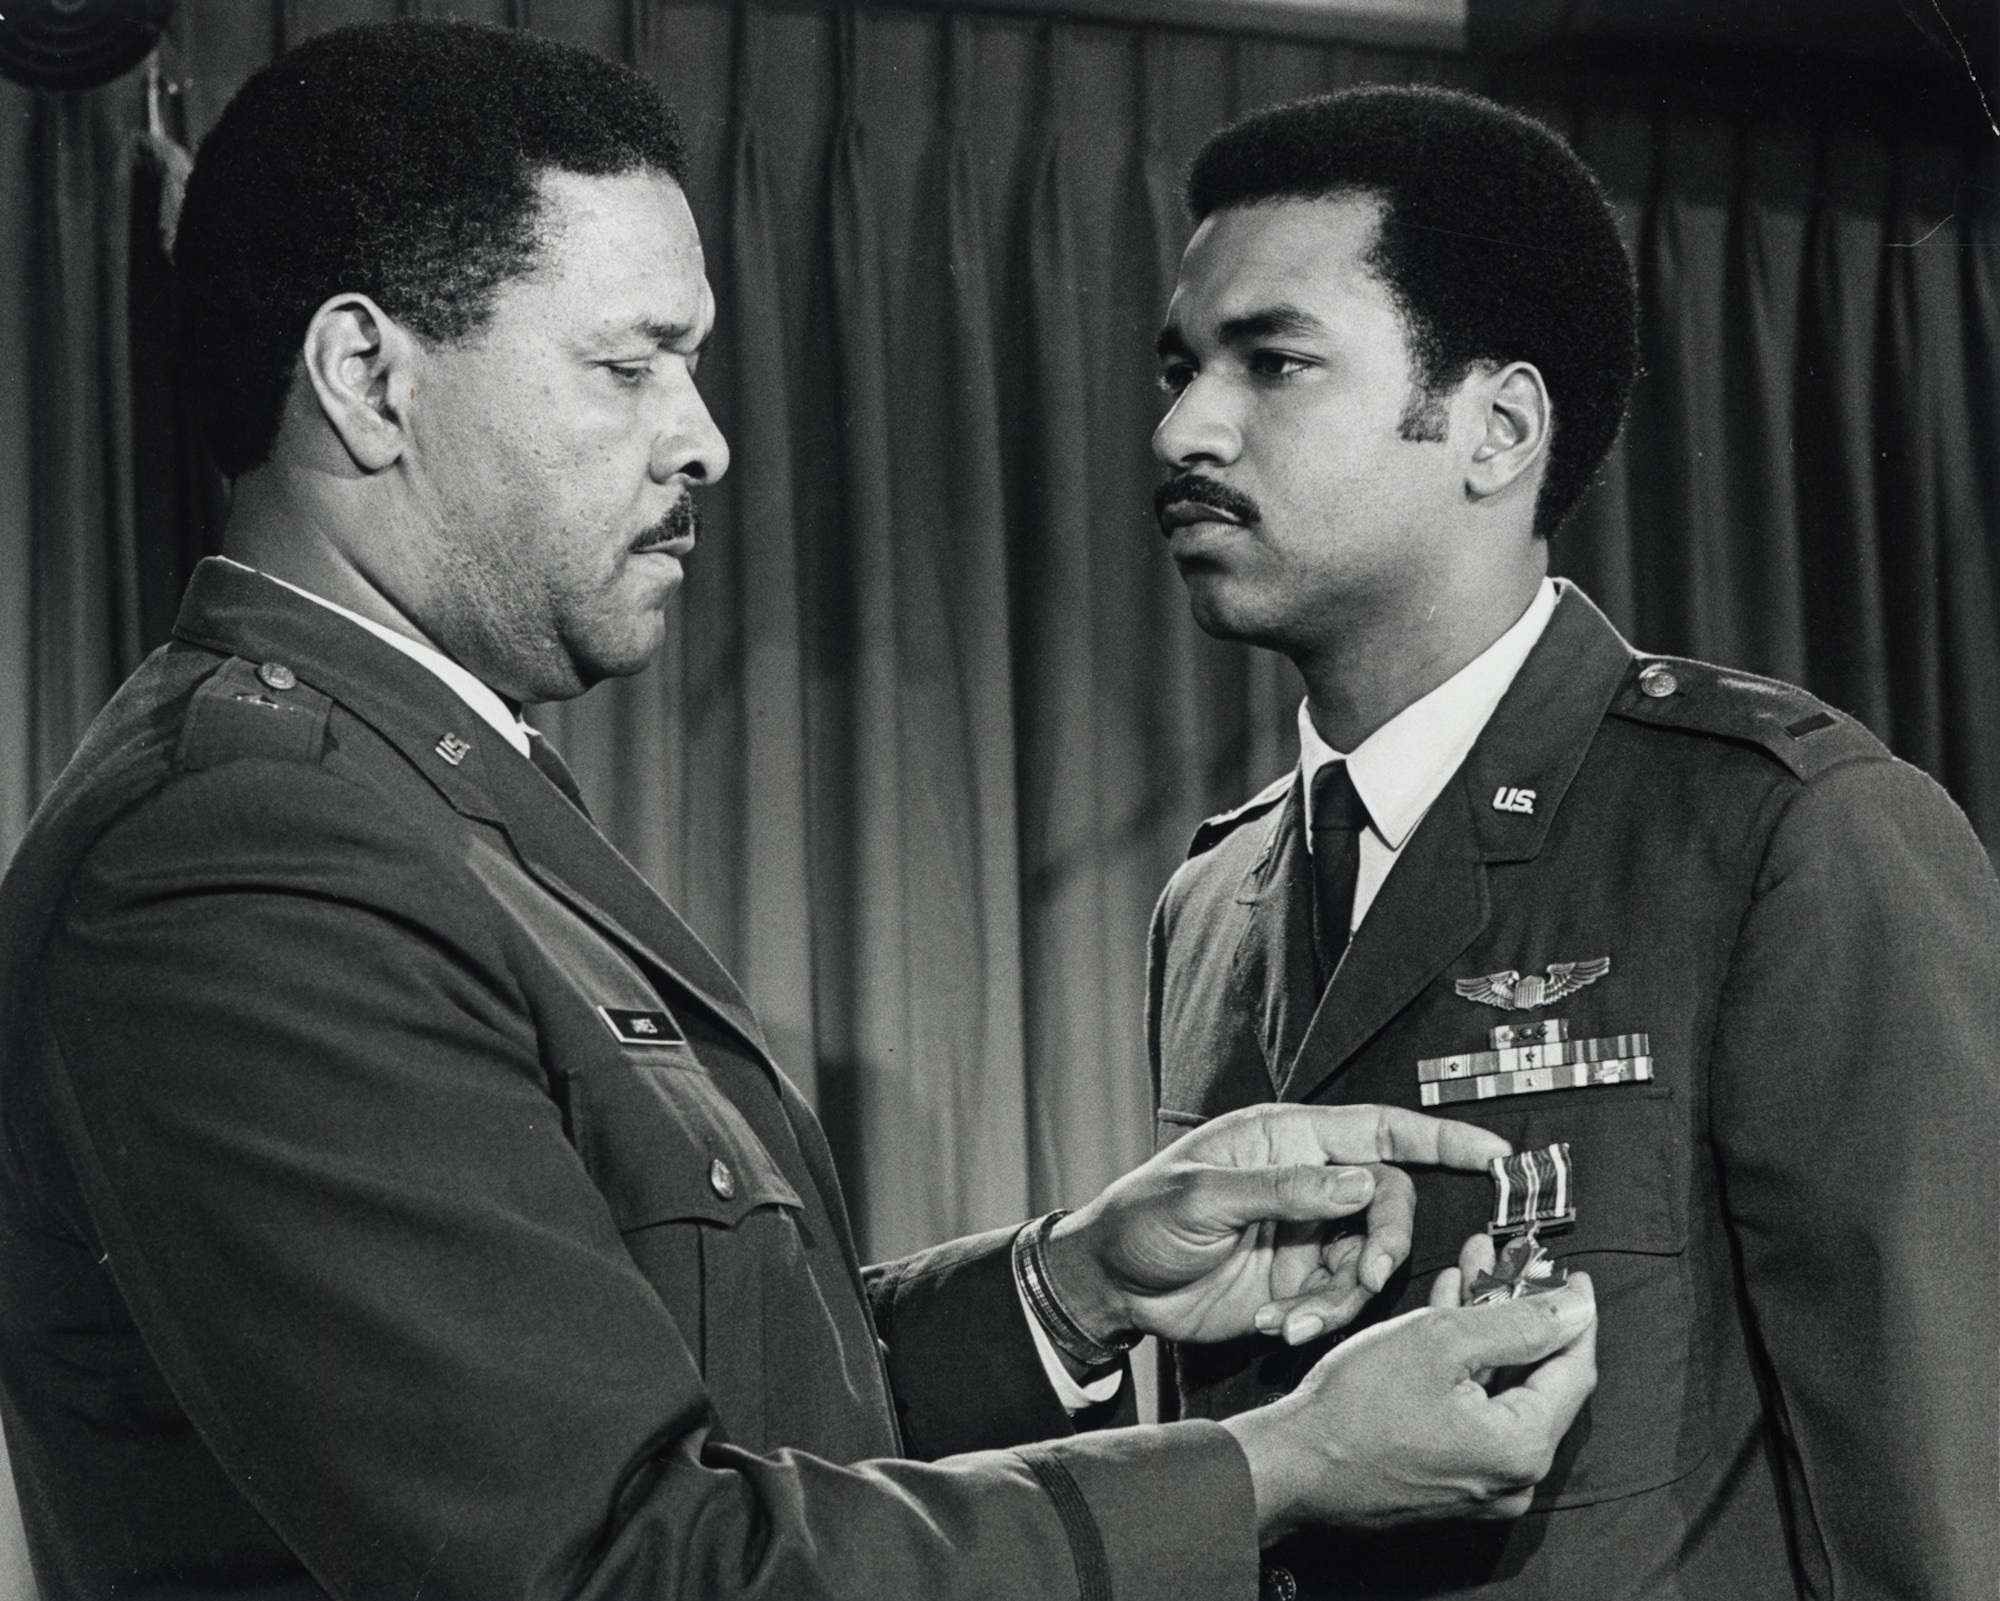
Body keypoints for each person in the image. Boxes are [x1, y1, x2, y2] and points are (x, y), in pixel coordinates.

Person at [0, 25, 1603, 1601]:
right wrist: (1280, 1465)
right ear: (366, 379)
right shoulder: (244, 860)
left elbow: (712, 1406)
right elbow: (627, 1565)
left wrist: (1076, 1280)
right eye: (629, 365)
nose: (699, 437)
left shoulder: (416, 792)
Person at [1146, 83, 2000, 1600]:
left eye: (1272, 362)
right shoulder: (1213, 902)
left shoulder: (1780, 832)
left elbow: (1945, 1507)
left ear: (1498, 429)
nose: (1183, 427)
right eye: (1182, 365)